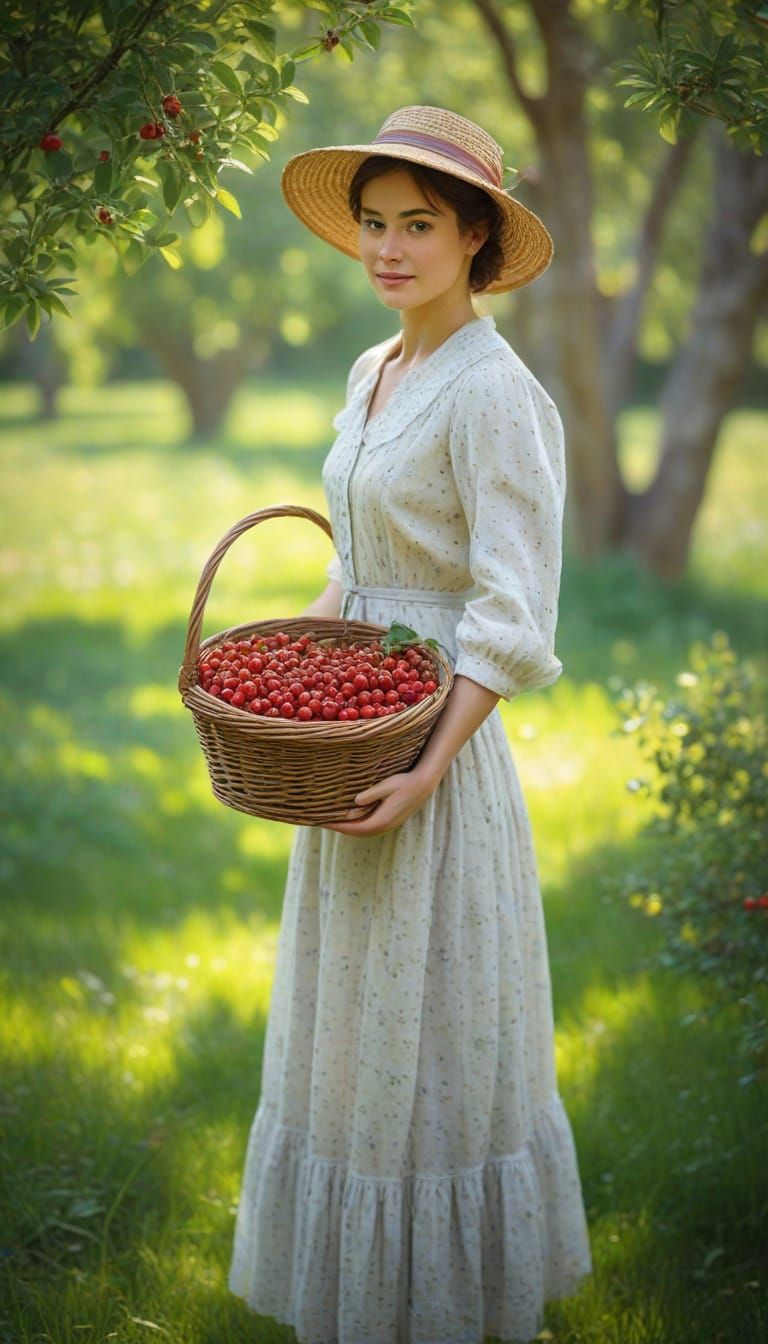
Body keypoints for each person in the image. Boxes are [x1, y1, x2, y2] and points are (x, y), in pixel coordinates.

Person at [227, 105, 593, 1344]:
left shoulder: (497, 394)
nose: (388, 248)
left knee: (431, 1035)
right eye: (376, 223)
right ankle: (360, 1304)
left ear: (477, 236)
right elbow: (362, 568)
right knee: (352, 1034)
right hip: (356, 731)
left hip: (432, 748)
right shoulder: (374, 370)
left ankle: (440, 1306)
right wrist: (290, 659)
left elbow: (510, 609)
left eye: (419, 225)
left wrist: (431, 764)